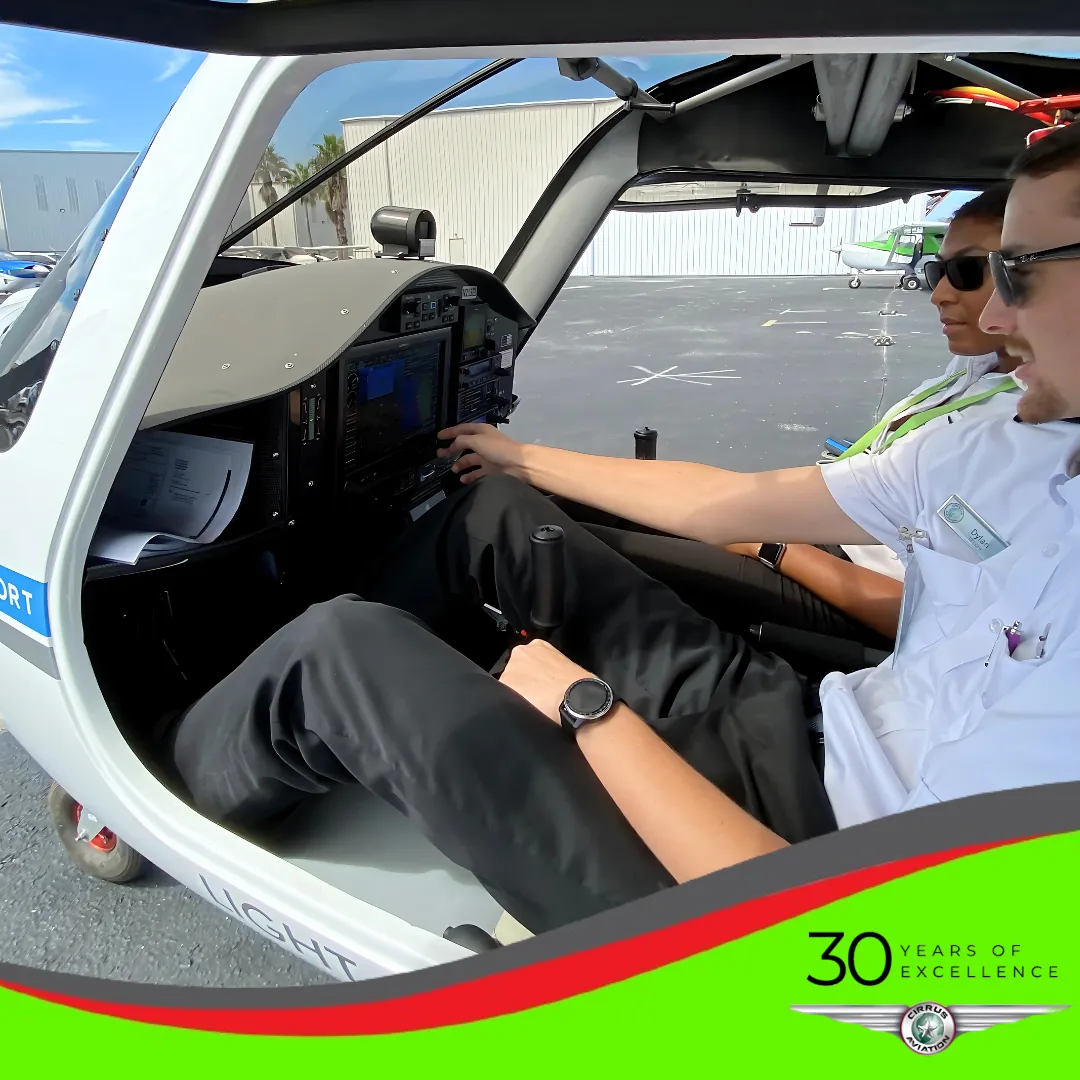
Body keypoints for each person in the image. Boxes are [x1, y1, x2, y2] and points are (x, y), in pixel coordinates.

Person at [166, 122, 1080, 937]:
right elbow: (727, 502)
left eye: (1020, 272)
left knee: (343, 652)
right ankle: (278, 701)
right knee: (498, 515)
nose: (993, 315)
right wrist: (520, 458)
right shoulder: (1001, 445)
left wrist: (585, 711)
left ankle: (167, 786)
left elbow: (840, 942)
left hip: (786, 873)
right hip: (813, 724)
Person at [566, 186, 1022, 648]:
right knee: (601, 518)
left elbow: (940, 618)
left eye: (965, 271)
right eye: (937, 271)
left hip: (848, 586)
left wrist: (775, 547)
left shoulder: (1021, 444)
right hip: (835, 536)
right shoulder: (980, 370)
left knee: (593, 552)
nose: (937, 294)